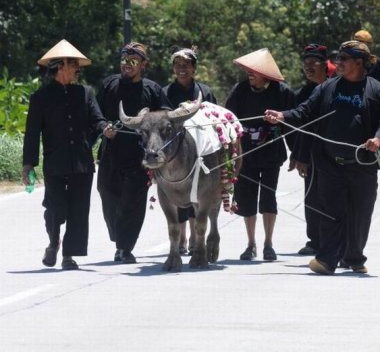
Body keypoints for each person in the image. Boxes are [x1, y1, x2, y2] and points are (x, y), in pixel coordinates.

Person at [264, 41, 380, 275]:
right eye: (339, 58)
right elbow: (304, 111)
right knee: (330, 213)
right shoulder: (327, 88)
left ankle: (353, 257)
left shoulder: (375, 90)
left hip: (362, 165)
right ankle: (326, 260)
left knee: (360, 215)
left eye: (345, 59)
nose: (339, 63)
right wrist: (282, 115)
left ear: (359, 62)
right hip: (329, 163)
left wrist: (377, 139)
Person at [22, 39, 111, 270]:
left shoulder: (85, 93)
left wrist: (105, 128)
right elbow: (32, 133)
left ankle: (68, 255)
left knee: (79, 209)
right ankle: (53, 241)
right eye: (74, 65)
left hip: (82, 162)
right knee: (55, 207)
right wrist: (28, 164)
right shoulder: (40, 98)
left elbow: (97, 118)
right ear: (60, 66)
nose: (78, 70)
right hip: (55, 163)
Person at [96, 42, 172, 263]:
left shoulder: (152, 89)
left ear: (143, 65)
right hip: (111, 151)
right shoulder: (109, 84)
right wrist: (103, 127)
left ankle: (124, 247)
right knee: (106, 192)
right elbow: (96, 114)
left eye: (132, 61)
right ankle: (119, 237)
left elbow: (166, 114)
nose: (126, 65)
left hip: (141, 156)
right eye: (124, 60)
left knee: (133, 202)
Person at [225, 48, 295, 261]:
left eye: (254, 70)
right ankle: (251, 244)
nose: (250, 73)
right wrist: (229, 151)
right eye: (248, 70)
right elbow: (228, 119)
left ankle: (268, 244)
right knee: (246, 198)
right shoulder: (240, 90)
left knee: (268, 197)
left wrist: (296, 154)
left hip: (271, 152)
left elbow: (291, 124)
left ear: (265, 73)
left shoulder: (282, 92)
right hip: (245, 152)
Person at [163, 47, 217, 255]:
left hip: (200, 150)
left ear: (194, 68)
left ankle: (196, 238)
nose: (181, 69)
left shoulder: (204, 91)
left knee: (197, 193)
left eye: (186, 65)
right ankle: (182, 239)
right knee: (176, 194)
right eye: (177, 65)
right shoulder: (166, 92)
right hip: (174, 152)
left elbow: (213, 116)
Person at [290, 44, 329, 256]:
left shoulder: (334, 87)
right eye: (305, 64)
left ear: (324, 65)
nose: (308, 68)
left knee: (332, 197)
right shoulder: (303, 93)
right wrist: (298, 156)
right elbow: (300, 129)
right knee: (312, 197)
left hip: (333, 153)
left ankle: (333, 239)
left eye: (313, 63)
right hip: (311, 154)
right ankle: (314, 240)